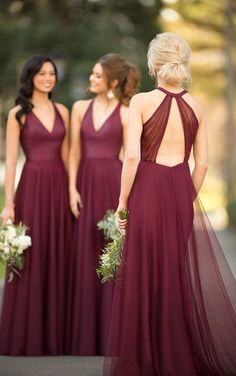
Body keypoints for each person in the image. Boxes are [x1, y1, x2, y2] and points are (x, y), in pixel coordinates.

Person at [104, 33, 236, 376]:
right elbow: (202, 164)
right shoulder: (197, 106)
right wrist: (184, 198)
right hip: (179, 187)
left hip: (147, 187)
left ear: (153, 64)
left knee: (143, 273)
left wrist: (122, 201)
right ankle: (174, 355)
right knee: (173, 273)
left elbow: (132, 155)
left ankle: (142, 359)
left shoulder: (141, 102)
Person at [66, 53, 140, 355]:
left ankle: (112, 335)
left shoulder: (125, 112)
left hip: (112, 185)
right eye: (92, 74)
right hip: (84, 183)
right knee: (84, 254)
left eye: (97, 75)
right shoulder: (79, 108)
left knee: (111, 257)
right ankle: (84, 338)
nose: (91, 79)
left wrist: (125, 198)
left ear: (111, 80)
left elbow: (128, 155)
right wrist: (71, 188)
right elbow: (73, 152)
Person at [0, 55, 72, 355]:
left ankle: (57, 337)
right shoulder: (18, 114)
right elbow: (13, 161)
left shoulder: (63, 111)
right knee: (31, 256)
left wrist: (72, 191)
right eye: (42, 73)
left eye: (52, 73)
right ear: (30, 77)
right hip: (32, 187)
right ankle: (25, 336)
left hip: (58, 186)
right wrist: (8, 205)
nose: (48, 78)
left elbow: (68, 156)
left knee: (58, 253)